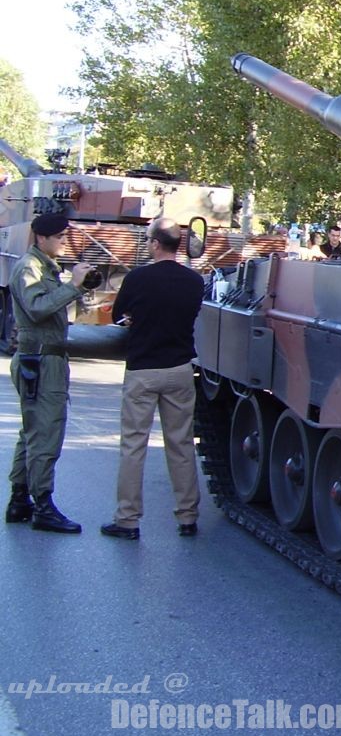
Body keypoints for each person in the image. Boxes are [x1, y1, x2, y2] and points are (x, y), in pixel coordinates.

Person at [100, 218, 205, 540]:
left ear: (156, 244)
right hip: (179, 370)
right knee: (181, 444)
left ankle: (128, 520)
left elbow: (119, 316)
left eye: (148, 240)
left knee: (134, 445)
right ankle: (187, 517)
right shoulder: (194, 281)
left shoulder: (137, 278)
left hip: (143, 370)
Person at [5, 213, 96, 534]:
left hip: (41, 359)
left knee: (32, 429)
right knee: (47, 431)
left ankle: (19, 499)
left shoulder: (43, 267)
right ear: (40, 238)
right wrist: (72, 286)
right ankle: (43, 504)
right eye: (58, 237)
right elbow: (37, 308)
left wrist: (76, 288)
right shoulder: (30, 267)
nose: (63, 241)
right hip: (41, 361)